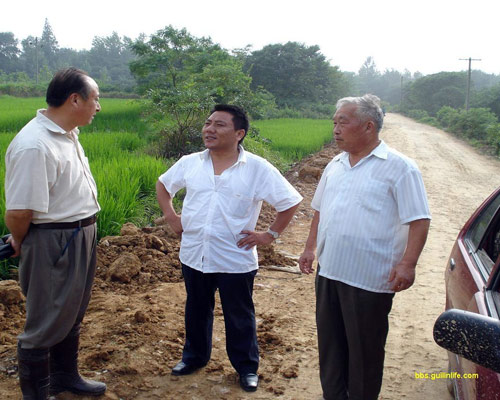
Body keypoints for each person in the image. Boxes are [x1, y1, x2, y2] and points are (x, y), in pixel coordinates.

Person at [156, 104, 302, 392]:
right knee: (196, 309)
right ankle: (194, 358)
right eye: (208, 123)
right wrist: (172, 217)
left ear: (239, 133)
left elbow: (290, 201)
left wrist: (269, 235)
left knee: (239, 314)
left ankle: (247, 368)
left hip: (235, 256)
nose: (209, 129)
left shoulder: (257, 168)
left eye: (219, 125)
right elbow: (163, 185)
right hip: (195, 252)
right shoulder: (191, 162)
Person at [299, 94, 431, 400]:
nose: (335, 128)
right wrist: (309, 248)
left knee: (364, 352)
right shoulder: (335, 164)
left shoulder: (400, 168)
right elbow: (320, 209)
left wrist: (408, 264)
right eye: (334, 122)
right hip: (330, 271)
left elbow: (419, 220)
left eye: (342, 122)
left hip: (370, 279)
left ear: (368, 126)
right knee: (331, 347)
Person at [4, 67, 106, 399]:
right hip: (55, 240)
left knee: (70, 311)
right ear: (75, 99)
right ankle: (37, 393)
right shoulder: (35, 145)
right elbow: (19, 211)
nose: (99, 107)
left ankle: (65, 377)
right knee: (46, 320)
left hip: (81, 234)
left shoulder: (65, 133)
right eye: (96, 99)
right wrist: (19, 239)